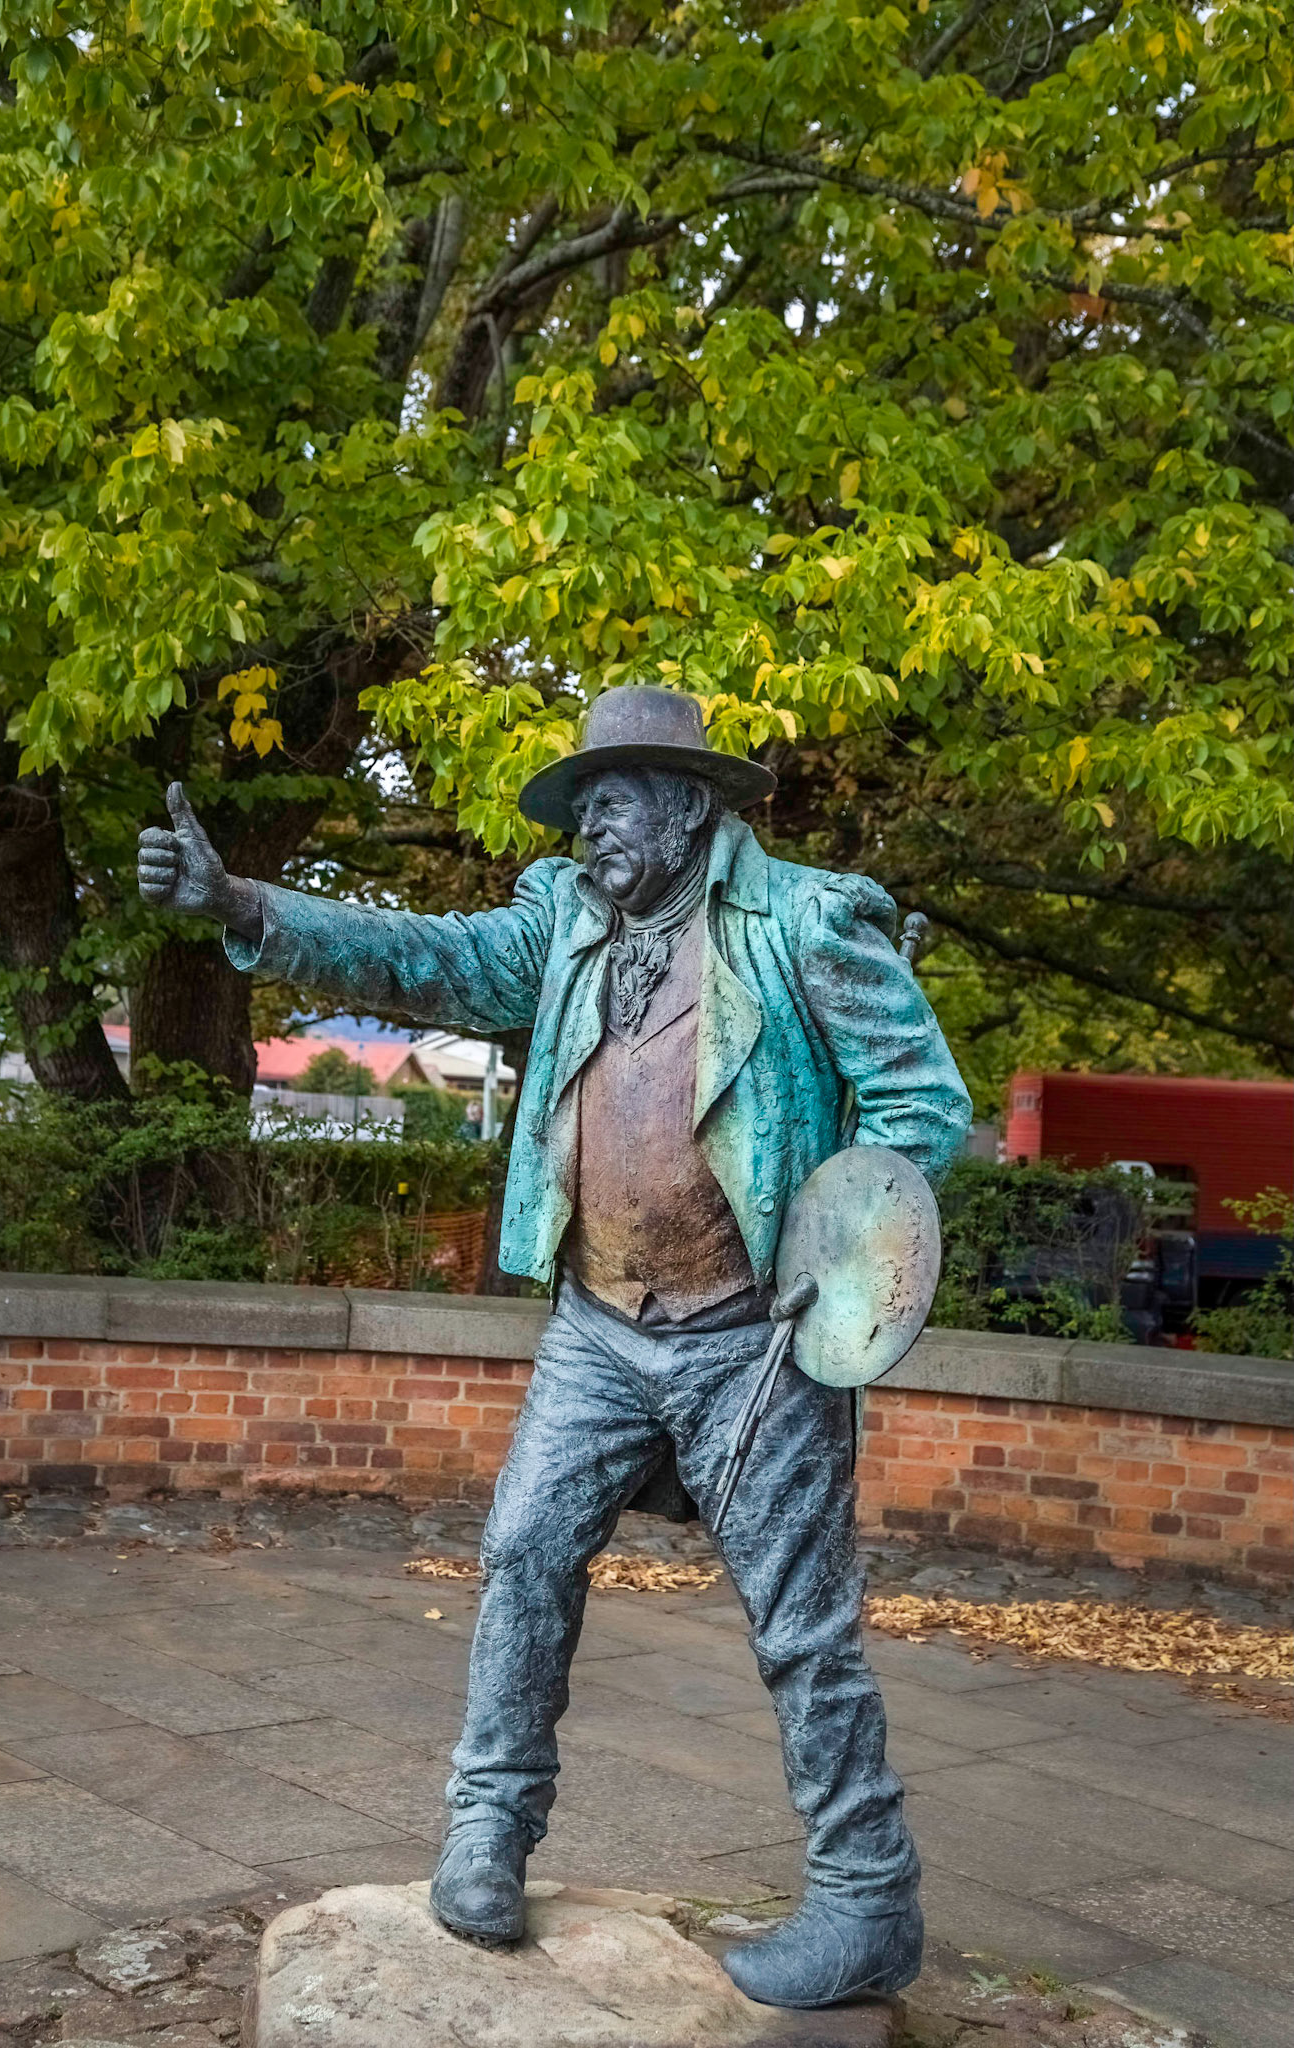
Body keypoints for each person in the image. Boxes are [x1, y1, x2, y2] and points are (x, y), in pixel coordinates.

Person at [137, 685, 972, 2010]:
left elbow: (921, 1104)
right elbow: (426, 957)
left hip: (754, 1337)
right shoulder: (567, 921)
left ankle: (867, 1898)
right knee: (522, 1551)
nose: (594, 831)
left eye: (616, 803)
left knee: (799, 1627)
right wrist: (245, 904)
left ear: (689, 804)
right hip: (595, 1325)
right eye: (582, 809)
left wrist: (839, 1264)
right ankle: (487, 1830)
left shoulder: (812, 922)